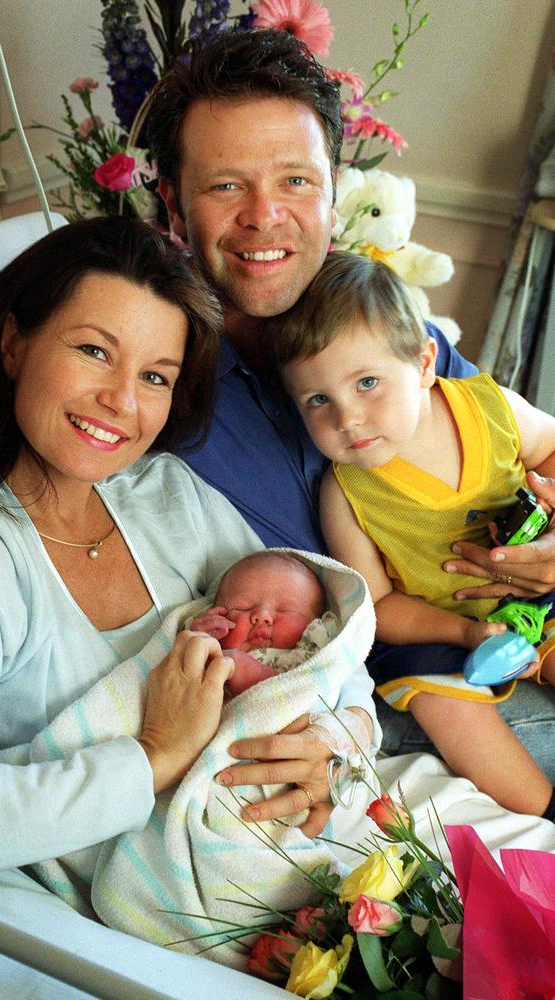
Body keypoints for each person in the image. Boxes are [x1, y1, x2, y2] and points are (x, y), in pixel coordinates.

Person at [145, 26, 555, 782]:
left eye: (295, 181)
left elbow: (515, 436)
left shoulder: (380, 323)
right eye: (226, 185)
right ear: (173, 204)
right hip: (396, 681)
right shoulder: (158, 379)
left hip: (519, 612)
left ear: (334, 191)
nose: (265, 216)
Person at [0, 216, 268, 890]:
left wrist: (333, 741)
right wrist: (157, 753)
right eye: (95, 352)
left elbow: (309, 619)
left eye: (156, 377)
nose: (121, 401)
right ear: (13, 342)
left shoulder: (165, 493)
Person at [270, 250, 555, 818]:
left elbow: (551, 447)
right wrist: (465, 634)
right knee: (436, 700)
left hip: (541, 587)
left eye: (368, 383)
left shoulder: (490, 409)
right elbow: (376, 604)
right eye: (317, 400)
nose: (346, 418)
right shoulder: (346, 492)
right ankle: (543, 812)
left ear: (426, 362)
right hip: (447, 633)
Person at [190, 550, 371, 707]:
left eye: (286, 610)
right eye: (242, 608)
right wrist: (199, 641)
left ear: (316, 622)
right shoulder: (216, 652)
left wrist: (256, 675)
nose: (262, 616)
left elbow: (321, 694)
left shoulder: (316, 649)